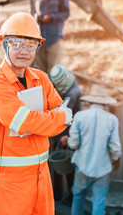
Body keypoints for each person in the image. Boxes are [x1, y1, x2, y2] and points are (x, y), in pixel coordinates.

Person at [0, 12, 73, 215]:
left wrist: (50, 121)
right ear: (4, 43)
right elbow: (22, 121)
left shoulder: (40, 78)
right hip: (11, 184)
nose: (25, 51)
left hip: (42, 176)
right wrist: (58, 117)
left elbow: (59, 125)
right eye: (17, 44)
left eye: (31, 45)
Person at [64, 92, 121, 215]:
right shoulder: (112, 119)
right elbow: (115, 148)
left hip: (82, 165)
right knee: (99, 201)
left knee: (78, 197)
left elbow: (73, 144)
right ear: (105, 104)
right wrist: (116, 159)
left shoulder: (79, 116)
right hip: (102, 168)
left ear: (89, 102)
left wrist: (67, 140)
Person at [48, 64, 82, 203]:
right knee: (57, 164)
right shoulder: (66, 81)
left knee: (67, 164)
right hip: (59, 128)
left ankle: (70, 196)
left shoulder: (73, 93)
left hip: (67, 131)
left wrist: (63, 136)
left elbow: (64, 115)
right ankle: (57, 195)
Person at [34, 0, 70, 73]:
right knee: (41, 70)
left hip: (53, 36)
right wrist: (36, 17)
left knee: (53, 70)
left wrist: (52, 17)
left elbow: (66, 13)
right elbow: (33, 11)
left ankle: (51, 88)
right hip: (39, 38)